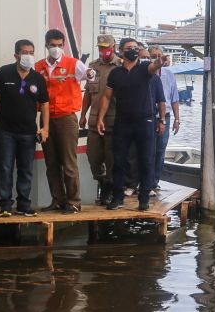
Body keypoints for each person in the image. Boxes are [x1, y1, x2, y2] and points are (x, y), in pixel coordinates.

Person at [0, 39, 50, 217]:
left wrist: (45, 128)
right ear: (16, 55)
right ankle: (5, 205)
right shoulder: (4, 73)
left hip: (28, 132)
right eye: (24, 52)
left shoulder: (38, 78)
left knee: (26, 169)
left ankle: (23, 205)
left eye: (31, 52)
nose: (28, 56)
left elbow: (44, 104)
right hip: (5, 131)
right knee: (5, 167)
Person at [96, 38, 165, 211]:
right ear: (121, 51)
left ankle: (144, 198)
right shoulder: (116, 73)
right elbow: (106, 96)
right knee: (119, 161)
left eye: (135, 48)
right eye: (129, 48)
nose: (133, 50)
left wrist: (160, 61)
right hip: (122, 121)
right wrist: (100, 118)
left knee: (146, 160)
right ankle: (118, 197)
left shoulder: (144, 69)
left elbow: (153, 67)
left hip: (145, 121)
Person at [34, 29, 94, 214]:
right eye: (53, 45)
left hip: (67, 118)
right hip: (45, 119)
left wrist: (91, 73)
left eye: (60, 45)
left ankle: (74, 202)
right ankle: (57, 200)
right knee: (51, 163)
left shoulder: (73, 64)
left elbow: (89, 74)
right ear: (46, 45)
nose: (56, 49)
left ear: (64, 46)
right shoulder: (38, 67)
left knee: (69, 162)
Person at [80, 34, 120, 205]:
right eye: (101, 48)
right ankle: (102, 179)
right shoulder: (93, 67)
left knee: (111, 157)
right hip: (95, 120)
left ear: (114, 46)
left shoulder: (120, 66)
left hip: (114, 119)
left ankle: (109, 188)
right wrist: (82, 115)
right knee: (93, 155)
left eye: (107, 47)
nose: (104, 51)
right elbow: (88, 93)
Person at [148, 46, 181, 193]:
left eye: (159, 55)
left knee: (160, 149)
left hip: (165, 116)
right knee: (147, 150)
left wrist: (177, 119)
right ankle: (144, 181)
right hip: (147, 116)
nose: (157, 58)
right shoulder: (145, 73)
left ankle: (154, 181)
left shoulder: (169, 74)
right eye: (153, 56)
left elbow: (174, 99)